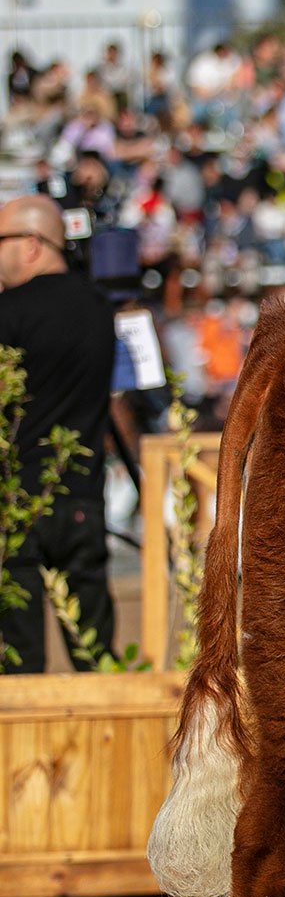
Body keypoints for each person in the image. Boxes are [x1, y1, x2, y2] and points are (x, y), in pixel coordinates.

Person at [0, 195, 118, 672]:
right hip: (83, 499)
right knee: (94, 651)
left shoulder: (10, 310)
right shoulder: (99, 306)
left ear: (31, 244)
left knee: (21, 665)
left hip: (18, 501)